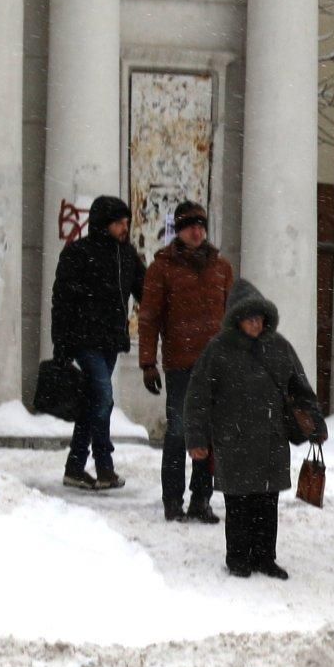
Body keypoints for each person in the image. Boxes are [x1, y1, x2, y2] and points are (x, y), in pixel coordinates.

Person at [183, 280, 326, 580]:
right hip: (232, 440)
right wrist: (196, 438)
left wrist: (316, 423)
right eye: (250, 318)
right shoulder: (218, 350)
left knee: (267, 501)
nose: (256, 324)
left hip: (271, 440)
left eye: (260, 318)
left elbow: (301, 389)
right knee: (238, 502)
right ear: (237, 319)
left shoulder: (279, 347)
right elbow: (198, 397)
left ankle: (264, 557)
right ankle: (238, 558)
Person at [137, 199, 234, 523]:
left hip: (215, 365)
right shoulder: (162, 268)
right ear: (178, 231)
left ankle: (201, 500)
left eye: (201, 225)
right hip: (180, 363)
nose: (197, 231)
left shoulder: (221, 268)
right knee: (178, 432)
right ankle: (172, 500)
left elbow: (233, 316)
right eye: (190, 226)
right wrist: (148, 362)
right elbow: (149, 318)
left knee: (209, 435)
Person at [49, 195, 145, 491]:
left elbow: (145, 291)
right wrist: (62, 345)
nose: (124, 228)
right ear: (104, 224)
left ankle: (79, 467)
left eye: (127, 222)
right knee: (102, 397)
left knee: (95, 401)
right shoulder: (78, 254)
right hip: (84, 339)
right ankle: (102, 465)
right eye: (119, 223)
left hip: (110, 340)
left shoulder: (126, 256)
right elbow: (62, 302)